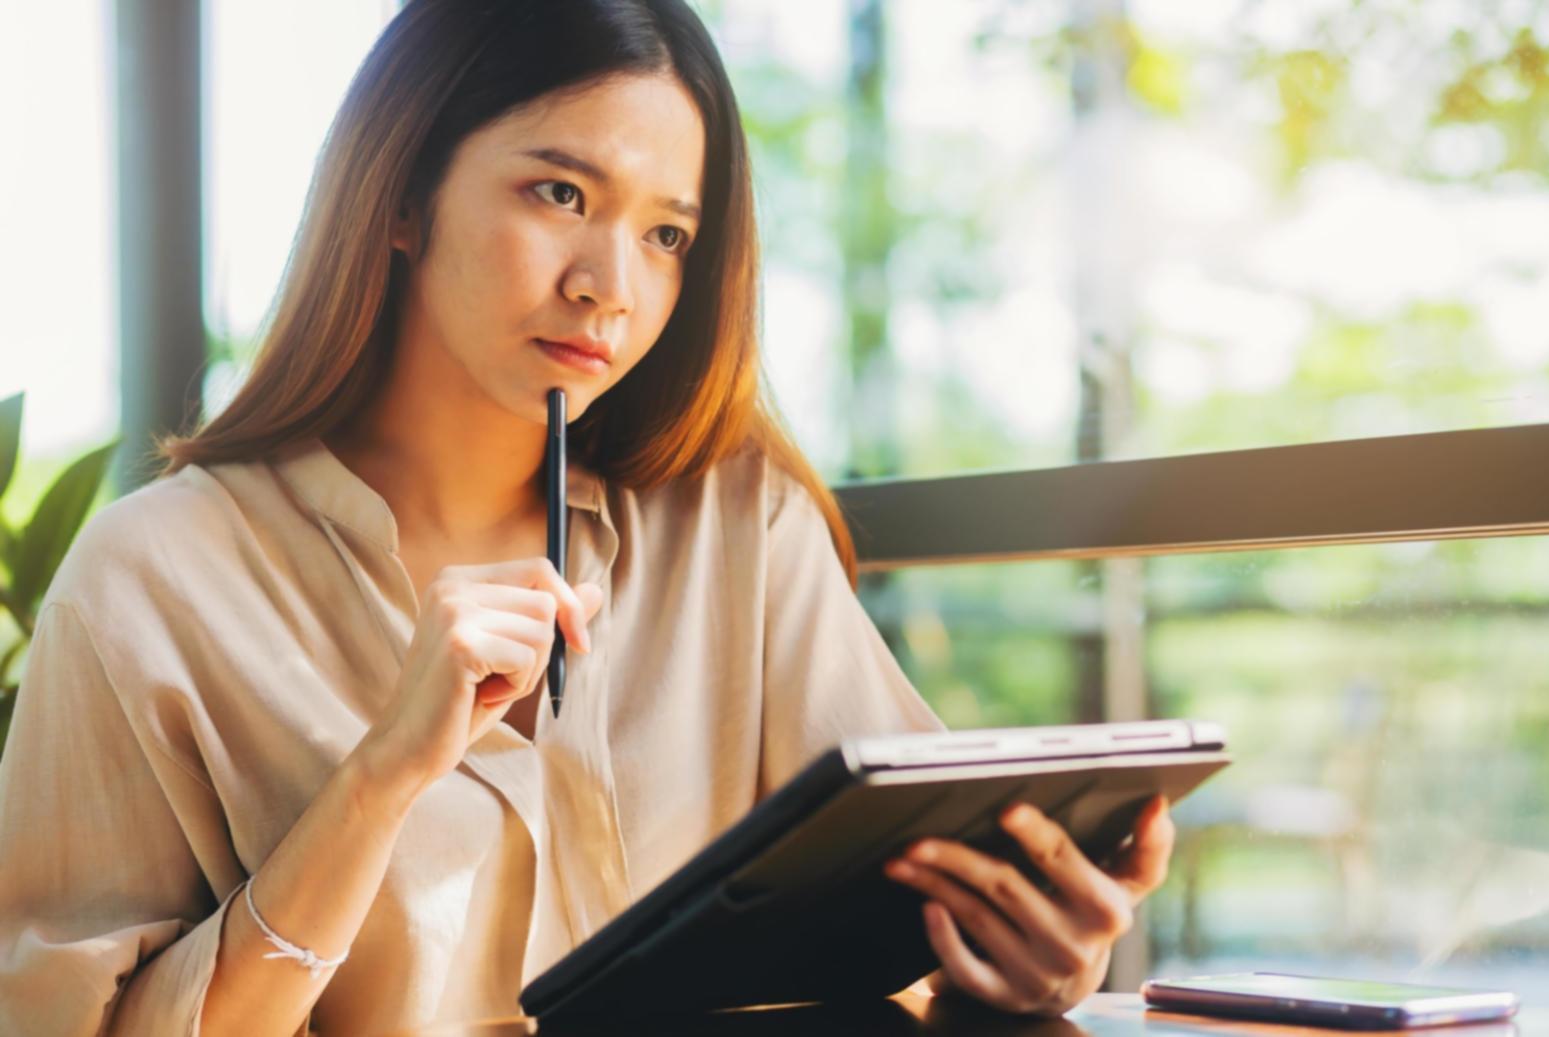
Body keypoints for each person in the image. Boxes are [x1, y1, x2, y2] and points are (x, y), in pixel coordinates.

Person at [0, 1, 1175, 1033]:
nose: (610, 286)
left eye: (667, 233)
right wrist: (382, 777)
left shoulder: (737, 525)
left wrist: (1018, 963)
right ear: (401, 197)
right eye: (559, 192)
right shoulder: (151, 579)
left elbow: (911, 897)